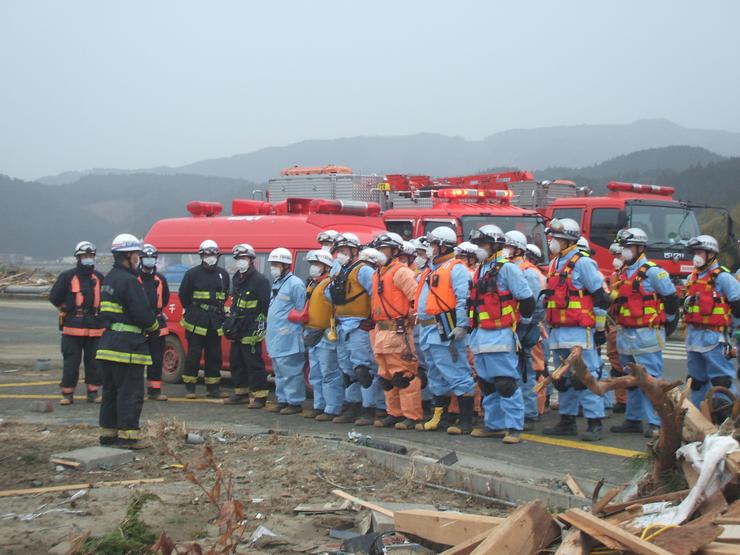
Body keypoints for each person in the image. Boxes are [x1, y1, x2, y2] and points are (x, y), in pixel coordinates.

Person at [541, 218, 612, 441]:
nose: (551, 242)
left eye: (556, 238)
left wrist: (599, 326)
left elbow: (601, 297)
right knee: (562, 380)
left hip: (579, 332)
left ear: (568, 240)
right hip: (558, 331)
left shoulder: (583, 263)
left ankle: (595, 422)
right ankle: (567, 420)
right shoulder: (554, 263)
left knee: (585, 377)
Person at [466, 226, 535, 444]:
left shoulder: (508, 269)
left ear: (495, 245)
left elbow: (527, 300)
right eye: (477, 245)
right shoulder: (481, 269)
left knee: (506, 383)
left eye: (482, 245)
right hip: (480, 336)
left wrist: (523, 328)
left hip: (500, 335)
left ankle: (514, 427)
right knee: (487, 384)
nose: (478, 249)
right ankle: (493, 425)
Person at [609, 228, 678, 438]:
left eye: (629, 247)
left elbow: (671, 299)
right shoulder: (622, 273)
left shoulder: (654, 272)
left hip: (646, 333)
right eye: (624, 247)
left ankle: (656, 422)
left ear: (640, 248)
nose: (625, 251)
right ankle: (633, 419)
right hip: (626, 334)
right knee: (630, 380)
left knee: (650, 380)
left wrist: (669, 324)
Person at [96, 234, 159, 449]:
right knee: (130, 392)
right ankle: (128, 437)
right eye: (136, 255)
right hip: (128, 347)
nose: (138, 259)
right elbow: (142, 313)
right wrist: (154, 328)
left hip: (108, 344)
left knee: (111, 392)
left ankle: (108, 434)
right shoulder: (130, 281)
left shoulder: (109, 279)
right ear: (127, 255)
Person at [414, 226, 477, 434]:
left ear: (442, 246)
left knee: (458, 373)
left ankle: (466, 419)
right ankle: (439, 416)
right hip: (428, 330)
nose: (429, 249)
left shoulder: (455, 268)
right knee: (435, 374)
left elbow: (463, 299)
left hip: (445, 329)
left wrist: (461, 325)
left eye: (432, 244)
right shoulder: (430, 270)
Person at [327, 233, 385, 425]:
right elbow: (330, 296)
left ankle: (369, 408)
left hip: (359, 325)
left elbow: (375, 295)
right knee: (347, 370)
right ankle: (353, 405)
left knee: (363, 368)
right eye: (338, 252)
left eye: (343, 251)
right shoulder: (340, 271)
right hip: (342, 325)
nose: (340, 255)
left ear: (354, 251)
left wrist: (372, 319)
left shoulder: (364, 270)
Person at [370, 233, 423, 429]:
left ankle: (411, 415)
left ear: (394, 251)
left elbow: (415, 298)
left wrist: (409, 318)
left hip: (398, 330)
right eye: (378, 249)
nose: (379, 253)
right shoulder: (378, 273)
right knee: (386, 377)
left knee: (404, 375)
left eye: (383, 249)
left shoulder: (402, 272)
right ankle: (395, 412)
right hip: (382, 330)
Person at [683, 235, 740, 415]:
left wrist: (735, 337)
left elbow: (738, 307)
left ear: (711, 254)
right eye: (695, 252)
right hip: (694, 338)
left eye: (700, 252)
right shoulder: (691, 278)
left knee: (722, 381)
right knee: (697, 380)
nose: (696, 256)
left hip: (716, 338)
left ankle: (729, 418)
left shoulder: (724, 278)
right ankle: (703, 417)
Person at [49, 241, 105, 405]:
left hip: (95, 328)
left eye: (91, 256)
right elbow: (54, 297)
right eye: (85, 256)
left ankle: (93, 393)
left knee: (94, 363)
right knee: (71, 363)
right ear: (78, 258)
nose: (88, 259)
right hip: (73, 328)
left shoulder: (100, 278)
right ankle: (67, 394)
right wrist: (68, 309)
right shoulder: (67, 277)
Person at [504, 230, 546, 431]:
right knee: (513, 371)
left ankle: (529, 413)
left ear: (518, 249)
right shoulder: (508, 269)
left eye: (508, 246)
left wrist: (525, 328)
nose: (505, 250)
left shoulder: (527, 272)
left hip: (524, 329)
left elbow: (535, 304)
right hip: (511, 328)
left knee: (524, 371)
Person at [179, 239, 231, 399]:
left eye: (213, 254)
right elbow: (184, 295)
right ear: (201, 255)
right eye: (207, 254)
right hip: (196, 320)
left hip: (215, 321)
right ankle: (190, 387)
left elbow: (225, 294)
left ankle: (213, 388)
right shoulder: (192, 274)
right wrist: (194, 309)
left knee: (214, 355)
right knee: (194, 354)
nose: (211, 257)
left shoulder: (223, 274)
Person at [297, 249, 343, 420]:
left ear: (326, 267)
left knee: (329, 372)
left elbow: (337, 308)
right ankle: (319, 405)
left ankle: (333, 407)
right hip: (312, 333)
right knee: (315, 373)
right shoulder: (313, 284)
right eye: (313, 264)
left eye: (317, 264)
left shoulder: (330, 285)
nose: (314, 268)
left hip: (326, 334)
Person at [223, 244, 271, 408]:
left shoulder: (260, 280)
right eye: (238, 259)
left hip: (252, 327)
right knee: (236, 360)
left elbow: (265, 306)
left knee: (253, 363)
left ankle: (260, 396)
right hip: (238, 327)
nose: (241, 262)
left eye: (244, 258)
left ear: (251, 260)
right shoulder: (237, 278)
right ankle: (241, 393)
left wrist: (261, 327)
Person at [265, 247, 307, 414]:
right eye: (272, 264)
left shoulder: (295, 284)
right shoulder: (277, 283)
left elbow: (300, 311)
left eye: (276, 264)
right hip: (276, 336)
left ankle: (294, 402)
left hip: (289, 336)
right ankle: (283, 400)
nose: (273, 267)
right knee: (279, 371)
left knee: (291, 371)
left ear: (285, 265)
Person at [138, 244, 170, 401]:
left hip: (158, 323)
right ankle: (136, 389)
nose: (149, 261)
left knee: (156, 359)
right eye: (147, 258)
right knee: (137, 359)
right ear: (141, 259)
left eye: (152, 258)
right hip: (139, 323)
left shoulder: (161, 280)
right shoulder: (134, 279)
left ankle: (155, 390)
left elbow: (165, 299)